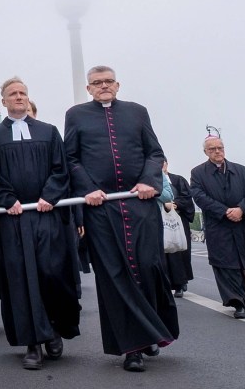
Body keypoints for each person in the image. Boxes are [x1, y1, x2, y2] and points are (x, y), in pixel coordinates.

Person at [64, 66, 178, 372]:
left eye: (108, 82)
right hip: (101, 208)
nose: (103, 86)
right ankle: (133, 349)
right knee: (114, 274)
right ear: (89, 89)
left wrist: (147, 181)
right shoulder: (75, 115)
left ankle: (150, 329)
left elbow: (154, 153)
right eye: (96, 83)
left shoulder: (137, 112)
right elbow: (71, 158)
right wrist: (88, 189)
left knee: (147, 265)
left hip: (138, 202)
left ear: (118, 84)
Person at [0, 78, 80, 371]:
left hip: (46, 215)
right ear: (3, 101)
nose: (19, 97)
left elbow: (60, 169)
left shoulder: (49, 132)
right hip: (13, 218)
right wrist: (7, 198)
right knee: (20, 279)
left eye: (23, 93)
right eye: (13, 94)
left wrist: (49, 196)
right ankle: (32, 343)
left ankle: (53, 328)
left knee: (51, 272)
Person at [190, 136, 245, 319]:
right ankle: (238, 303)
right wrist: (226, 211)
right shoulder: (197, 173)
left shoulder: (240, 170)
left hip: (244, 224)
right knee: (227, 265)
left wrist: (241, 209)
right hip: (219, 226)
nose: (217, 151)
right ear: (206, 152)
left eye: (220, 147)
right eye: (212, 149)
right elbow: (199, 197)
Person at [163, 161, 195, 298]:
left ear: (166, 164)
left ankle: (180, 284)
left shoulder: (178, 180)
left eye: (162, 163)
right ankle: (165, 284)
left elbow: (187, 198)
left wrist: (175, 205)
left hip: (178, 221)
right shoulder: (150, 181)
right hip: (159, 221)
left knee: (179, 251)